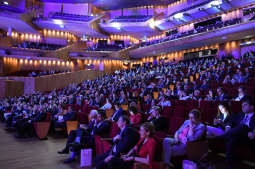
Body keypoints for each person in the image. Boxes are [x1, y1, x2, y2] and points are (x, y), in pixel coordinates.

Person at [209, 97, 255, 169]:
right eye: (242, 105)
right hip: (237, 137)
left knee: (242, 126)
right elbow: (231, 123)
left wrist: (254, 133)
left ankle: (221, 137)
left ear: (252, 107)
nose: (242, 106)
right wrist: (225, 125)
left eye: (245, 105)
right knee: (232, 138)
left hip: (248, 138)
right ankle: (229, 164)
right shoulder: (240, 115)